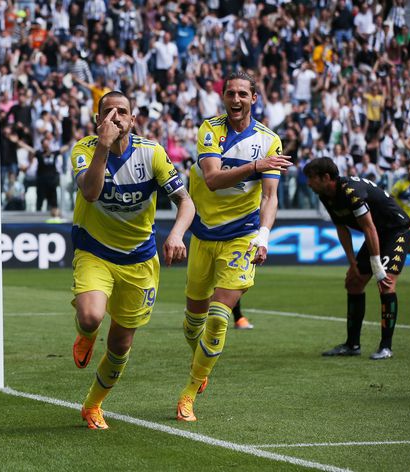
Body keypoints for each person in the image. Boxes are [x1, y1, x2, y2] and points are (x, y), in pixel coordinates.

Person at [70, 91, 195, 430]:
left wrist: (176, 235)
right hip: (95, 250)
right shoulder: (83, 150)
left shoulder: (152, 153)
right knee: (92, 315)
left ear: (133, 119)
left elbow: (186, 202)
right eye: (107, 111)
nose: (115, 116)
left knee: (121, 344)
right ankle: (86, 332)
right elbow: (92, 193)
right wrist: (102, 146)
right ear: (98, 120)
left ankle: (92, 405)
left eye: (121, 111)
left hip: (139, 258)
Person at [178, 72, 293, 422]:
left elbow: (270, 196)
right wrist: (256, 166)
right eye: (231, 93)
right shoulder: (209, 130)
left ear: (254, 98)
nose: (237, 99)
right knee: (192, 325)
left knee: (218, 317)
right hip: (204, 234)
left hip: (241, 235)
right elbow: (211, 180)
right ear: (223, 97)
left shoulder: (269, 140)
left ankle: (187, 396)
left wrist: (264, 234)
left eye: (243, 93)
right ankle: (203, 364)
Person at [304, 157, 410, 360]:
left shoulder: (351, 192)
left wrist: (377, 267)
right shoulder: (325, 195)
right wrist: (353, 263)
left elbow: (368, 227)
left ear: (326, 177)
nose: (308, 183)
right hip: (377, 233)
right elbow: (341, 228)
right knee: (353, 283)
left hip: (396, 231)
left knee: (386, 283)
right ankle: (352, 345)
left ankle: (386, 347)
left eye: (311, 178)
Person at [390, 159, 410, 254]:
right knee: (402, 252)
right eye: (409, 169)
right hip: (404, 222)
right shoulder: (401, 184)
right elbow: (390, 198)